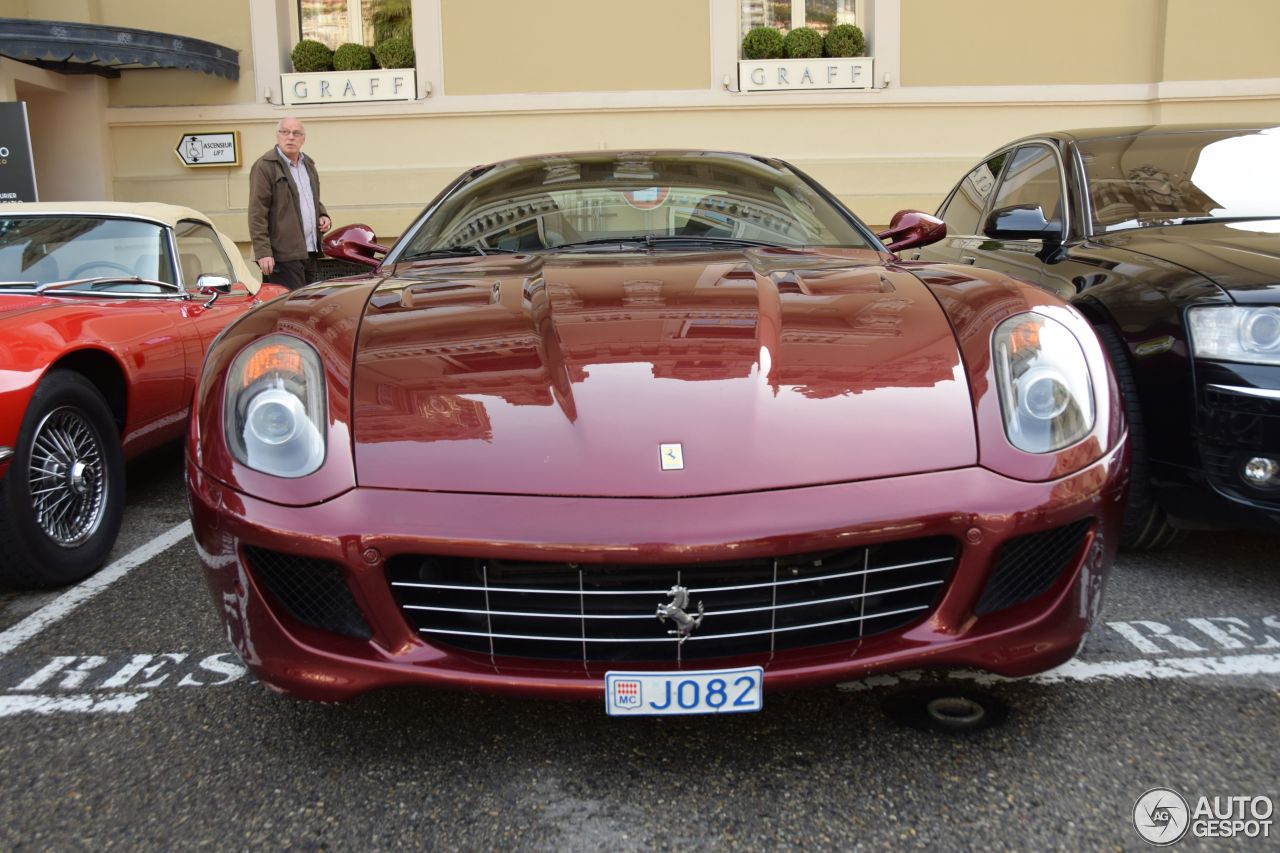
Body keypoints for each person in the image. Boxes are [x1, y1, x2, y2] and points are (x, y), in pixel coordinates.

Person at [247, 117, 331, 290]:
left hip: (309, 250)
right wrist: (263, 252)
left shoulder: (308, 164)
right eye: (285, 132)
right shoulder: (265, 166)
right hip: (282, 255)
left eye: (296, 133)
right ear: (277, 136)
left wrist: (322, 214)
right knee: (292, 309)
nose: (290, 137)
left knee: (307, 306)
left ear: (303, 139)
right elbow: (257, 213)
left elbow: (309, 197)